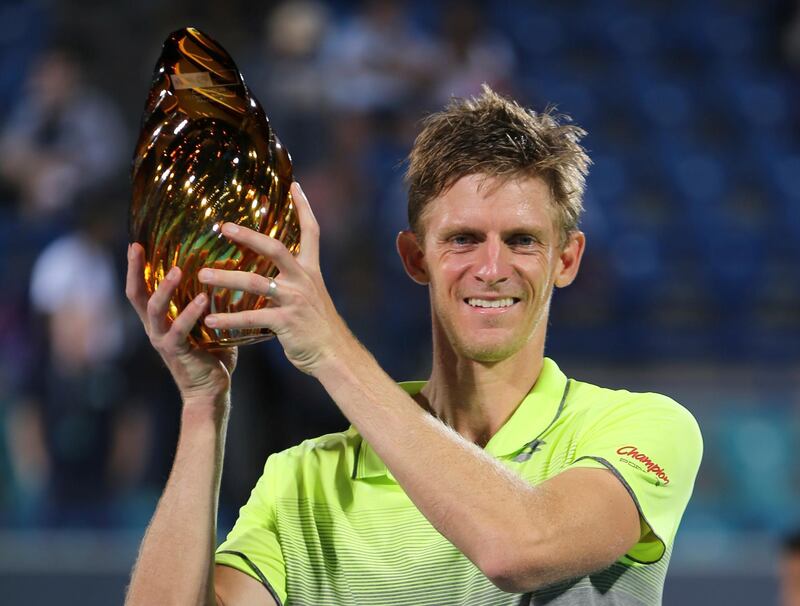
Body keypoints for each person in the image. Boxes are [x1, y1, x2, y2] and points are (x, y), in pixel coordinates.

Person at [124, 86, 702, 605]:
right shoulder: (305, 480)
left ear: (567, 259)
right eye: (463, 240)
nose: (492, 268)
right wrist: (203, 406)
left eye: (522, 240)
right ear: (414, 257)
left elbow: (519, 549)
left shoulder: (641, 428)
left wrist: (329, 345)